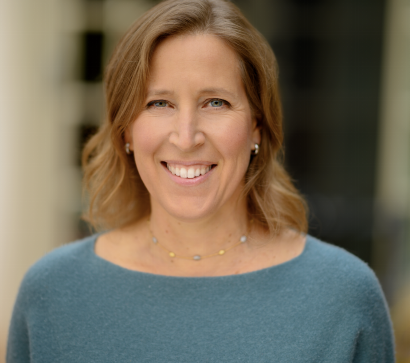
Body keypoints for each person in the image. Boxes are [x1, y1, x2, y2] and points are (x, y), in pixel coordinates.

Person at [7, 0, 394, 361]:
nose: (186, 136)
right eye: (159, 103)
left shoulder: (343, 296)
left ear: (256, 127)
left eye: (216, 103)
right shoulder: (52, 293)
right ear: (125, 130)